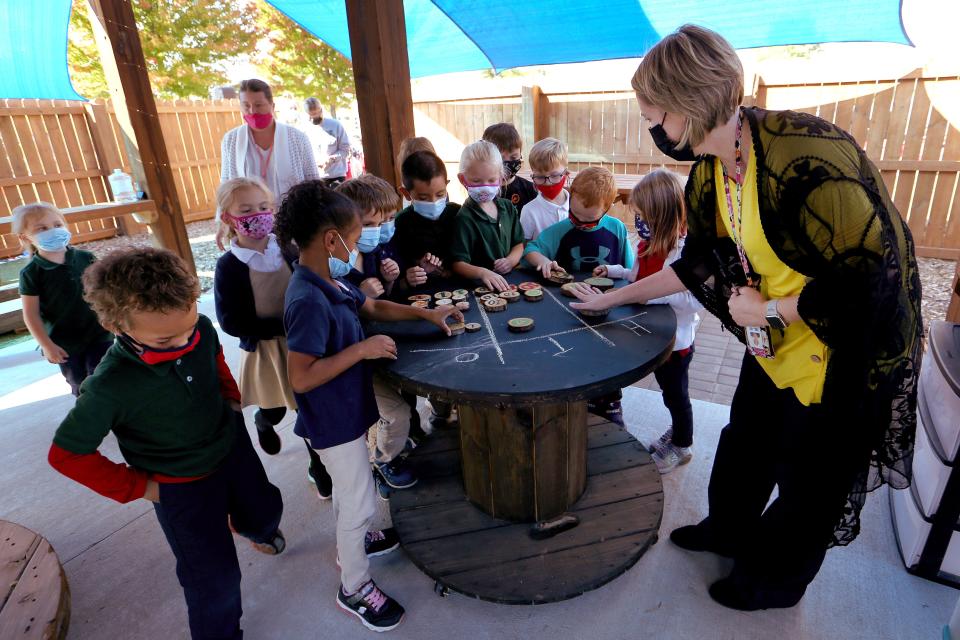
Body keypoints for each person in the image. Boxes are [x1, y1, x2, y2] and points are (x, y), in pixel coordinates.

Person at [570, 24, 922, 611]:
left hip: (838, 354)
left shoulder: (805, 156)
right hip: (773, 344)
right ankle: (728, 529)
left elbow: (872, 280)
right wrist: (613, 298)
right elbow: (701, 262)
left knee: (808, 478)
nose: (651, 128)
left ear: (690, 103)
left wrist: (771, 308)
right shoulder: (711, 166)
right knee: (745, 442)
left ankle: (773, 583)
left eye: (654, 114)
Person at [48, 247, 285, 639]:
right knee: (213, 580)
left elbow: (212, 357)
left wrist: (231, 397)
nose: (184, 341)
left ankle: (255, 529)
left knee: (265, 509)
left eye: (189, 326)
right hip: (179, 487)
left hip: (231, 449)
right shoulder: (109, 386)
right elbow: (67, 455)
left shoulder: (200, 329)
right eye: (164, 340)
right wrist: (139, 487)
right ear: (116, 326)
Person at [277, 181, 462, 632]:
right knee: (358, 499)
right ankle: (354, 586)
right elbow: (300, 375)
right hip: (332, 419)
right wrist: (361, 351)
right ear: (330, 240)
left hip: (348, 408)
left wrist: (427, 314)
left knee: (350, 489)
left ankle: (353, 543)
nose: (359, 245)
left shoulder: (330, 279)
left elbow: (374, 306)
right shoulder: (306, 299)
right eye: (356, 238)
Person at [213, 176, 333, 499]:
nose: (259, 214)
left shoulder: (286, 247)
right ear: (228, 218)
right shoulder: (230, 267)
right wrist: (281, 325)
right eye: (247, 209)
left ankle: (318, 468)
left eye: (264, 207)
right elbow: (231, 321)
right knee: (277, 407)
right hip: (267, 349)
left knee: (306, 407)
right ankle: (265, 421)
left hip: (302, 341)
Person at [597, 170, 702, 473]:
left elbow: (693, 301)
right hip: (652, 335)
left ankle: (682, 445)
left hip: (676, 343)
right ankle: (679, 435)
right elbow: (636, 276)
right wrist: (614, 271)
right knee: (667, 391)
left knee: (676, 395)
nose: (638, 221)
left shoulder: (683, 253)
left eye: (644, 215)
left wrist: (650, 297)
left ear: (665, 216)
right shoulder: (647, 244)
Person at [336, 175, 427, 487]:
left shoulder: (375, 251)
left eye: (386, 221)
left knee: (399, 400)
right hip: (355, 357)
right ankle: (383, 461)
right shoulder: (335, 265)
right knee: (395, 412)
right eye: (371, 223)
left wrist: (390, 281)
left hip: (380, 344)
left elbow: (384, 299)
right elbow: (345, 312)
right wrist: (365, 294)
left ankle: (394, 441)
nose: (379, 230)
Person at [524, 166, 634, 425]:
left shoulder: (617, 230)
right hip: (569, 307)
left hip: (607, 307)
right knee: (573, 355)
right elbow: (531, 249)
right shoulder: (561, 230)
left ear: (607, 208)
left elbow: (630, 271)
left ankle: (610, 400)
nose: (581, 224)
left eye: (590, 220)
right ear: (570, 195)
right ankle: (574, 397)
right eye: (575, 216)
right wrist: (543, 261)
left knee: (608, 354)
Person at [393, 149, 462, 430]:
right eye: (422, 198)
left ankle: (453, 404)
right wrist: (412, 273)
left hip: (459, 297)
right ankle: (433, 409)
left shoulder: (458, 214)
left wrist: (448, 269)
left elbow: (466, 257)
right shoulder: (400, 224)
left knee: (461, 353)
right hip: (419, 305)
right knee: (430, 358)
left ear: (447, 187)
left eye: (439, 194)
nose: (433, 202)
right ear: (405, 192)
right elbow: (397, 273)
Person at [14, 202, 113, 396]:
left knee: (105, 379)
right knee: (82, 385)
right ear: (25, 237)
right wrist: (47, 345)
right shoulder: (32, 273)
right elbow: (31, 314)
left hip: (99, 333)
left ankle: (117, 419)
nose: (52, 231)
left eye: (57, 225)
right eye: (42, 228)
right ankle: (91, 420)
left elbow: (106, 291)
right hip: (65, 344)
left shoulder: (86, 258)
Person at [217, 79, 319, 250]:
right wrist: (222, 223)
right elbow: (226, 183)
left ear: (272, 104)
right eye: (246, 105)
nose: (252, 111)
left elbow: (313, 183)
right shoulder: (231, 140)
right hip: (250, 224)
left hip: (294, 220)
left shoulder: (297, 138)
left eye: (259, 104)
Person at [450, 140, 524, 293]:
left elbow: (519, 244)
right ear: (462, 179)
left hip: (511, 282)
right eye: (476, 181)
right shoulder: (464, 218)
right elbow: (458, 263)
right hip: (481, 289)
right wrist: (482, 272)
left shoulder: (508, 207)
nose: (484, 187)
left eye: (491, 180)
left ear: (501, 177)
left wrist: (510, 261)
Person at [520, 138, 571, 242]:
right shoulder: (529, 211)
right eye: (540, 177)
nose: (548, 182)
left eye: (554, 175)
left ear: (566, 174)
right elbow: (525, 246)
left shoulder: (576, 205)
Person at [482, 122, 537, 211]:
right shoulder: (483, 191)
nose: (507, 162)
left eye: (514, 157)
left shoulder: (530, 189)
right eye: (500, 158)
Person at [305, 97, 351, 187]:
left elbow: (345, 150)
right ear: (307, 114)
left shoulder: (335, 125)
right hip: (315, 178)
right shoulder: (304, 130)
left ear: (321, 109)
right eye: (312, 114)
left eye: (317, 113)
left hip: (336, 176)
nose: (315, 117)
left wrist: (331, 159)